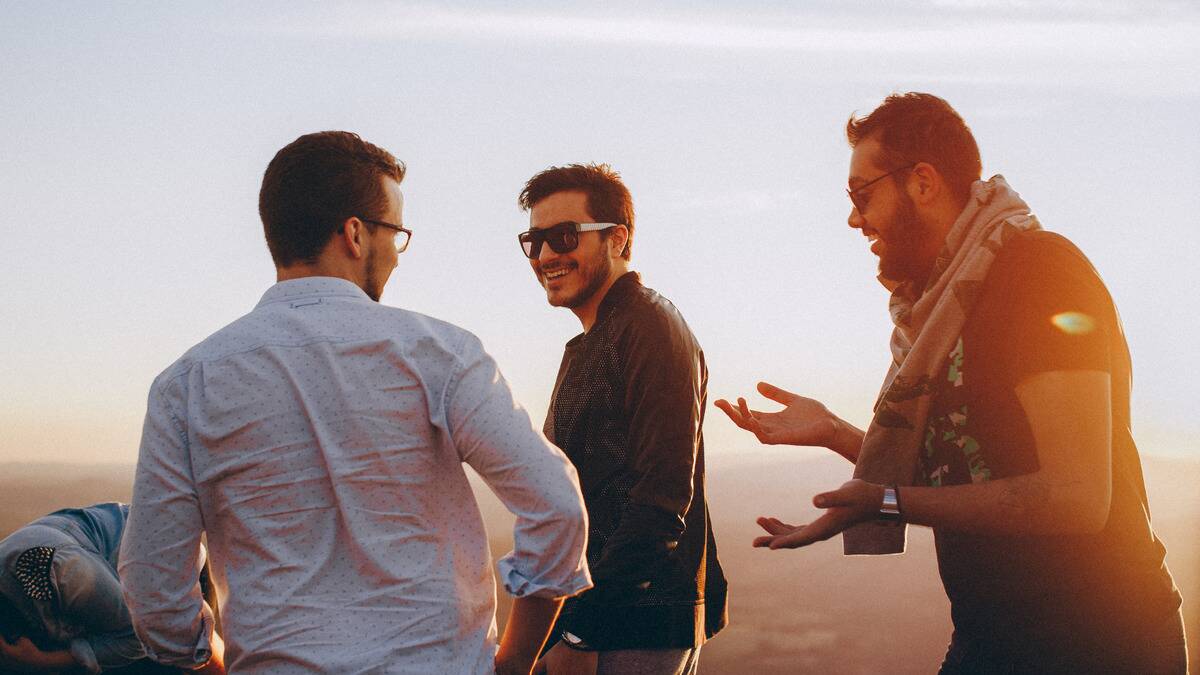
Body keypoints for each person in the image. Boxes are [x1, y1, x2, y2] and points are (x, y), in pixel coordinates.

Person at [717, 92, 1187, 673]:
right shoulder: (938, 311)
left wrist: (888, 502)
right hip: (989, 636)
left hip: (1101, 640)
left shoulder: (1040, 272)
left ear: (922, 182)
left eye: (862, 196)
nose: (853, 218)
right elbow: (966, 468)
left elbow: (1077, 497)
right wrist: (836, 433)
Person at [119, 131, 592, 674]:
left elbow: (153, 583)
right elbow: (556, 506)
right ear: (355, 234)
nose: (395, 253)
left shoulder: (186, 385)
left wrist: (211, 663)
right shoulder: (439, 355)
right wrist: (512, 662)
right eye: (396, 232)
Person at [516, 164, 727, 675]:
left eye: (564, 236)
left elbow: (661, 496)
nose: (545, 255)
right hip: (595, 621)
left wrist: (580, 628)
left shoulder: (650, 326)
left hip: (629, 628)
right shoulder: (596, 338)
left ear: (618, 239)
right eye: (534, 240)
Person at [0, 502, 224, 674]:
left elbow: (140, 636)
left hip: (165, 563)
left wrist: (43, 662)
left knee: (183, 657)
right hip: (106, 594)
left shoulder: (56, 570)